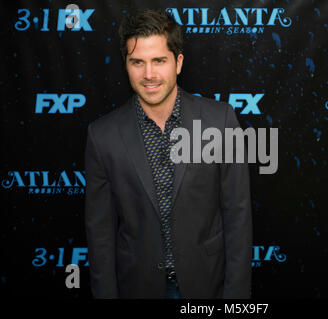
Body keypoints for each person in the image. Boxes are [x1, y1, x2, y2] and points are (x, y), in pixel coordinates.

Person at [84, 9, 252, 299]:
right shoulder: (102, 136)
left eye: (159, 61)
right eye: (138, 62)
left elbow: (237, 216)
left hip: (207, 285)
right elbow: (100, 236)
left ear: (178, 63)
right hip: (136, 287)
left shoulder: (220, 121)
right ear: (126, 64)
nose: (149, 75)